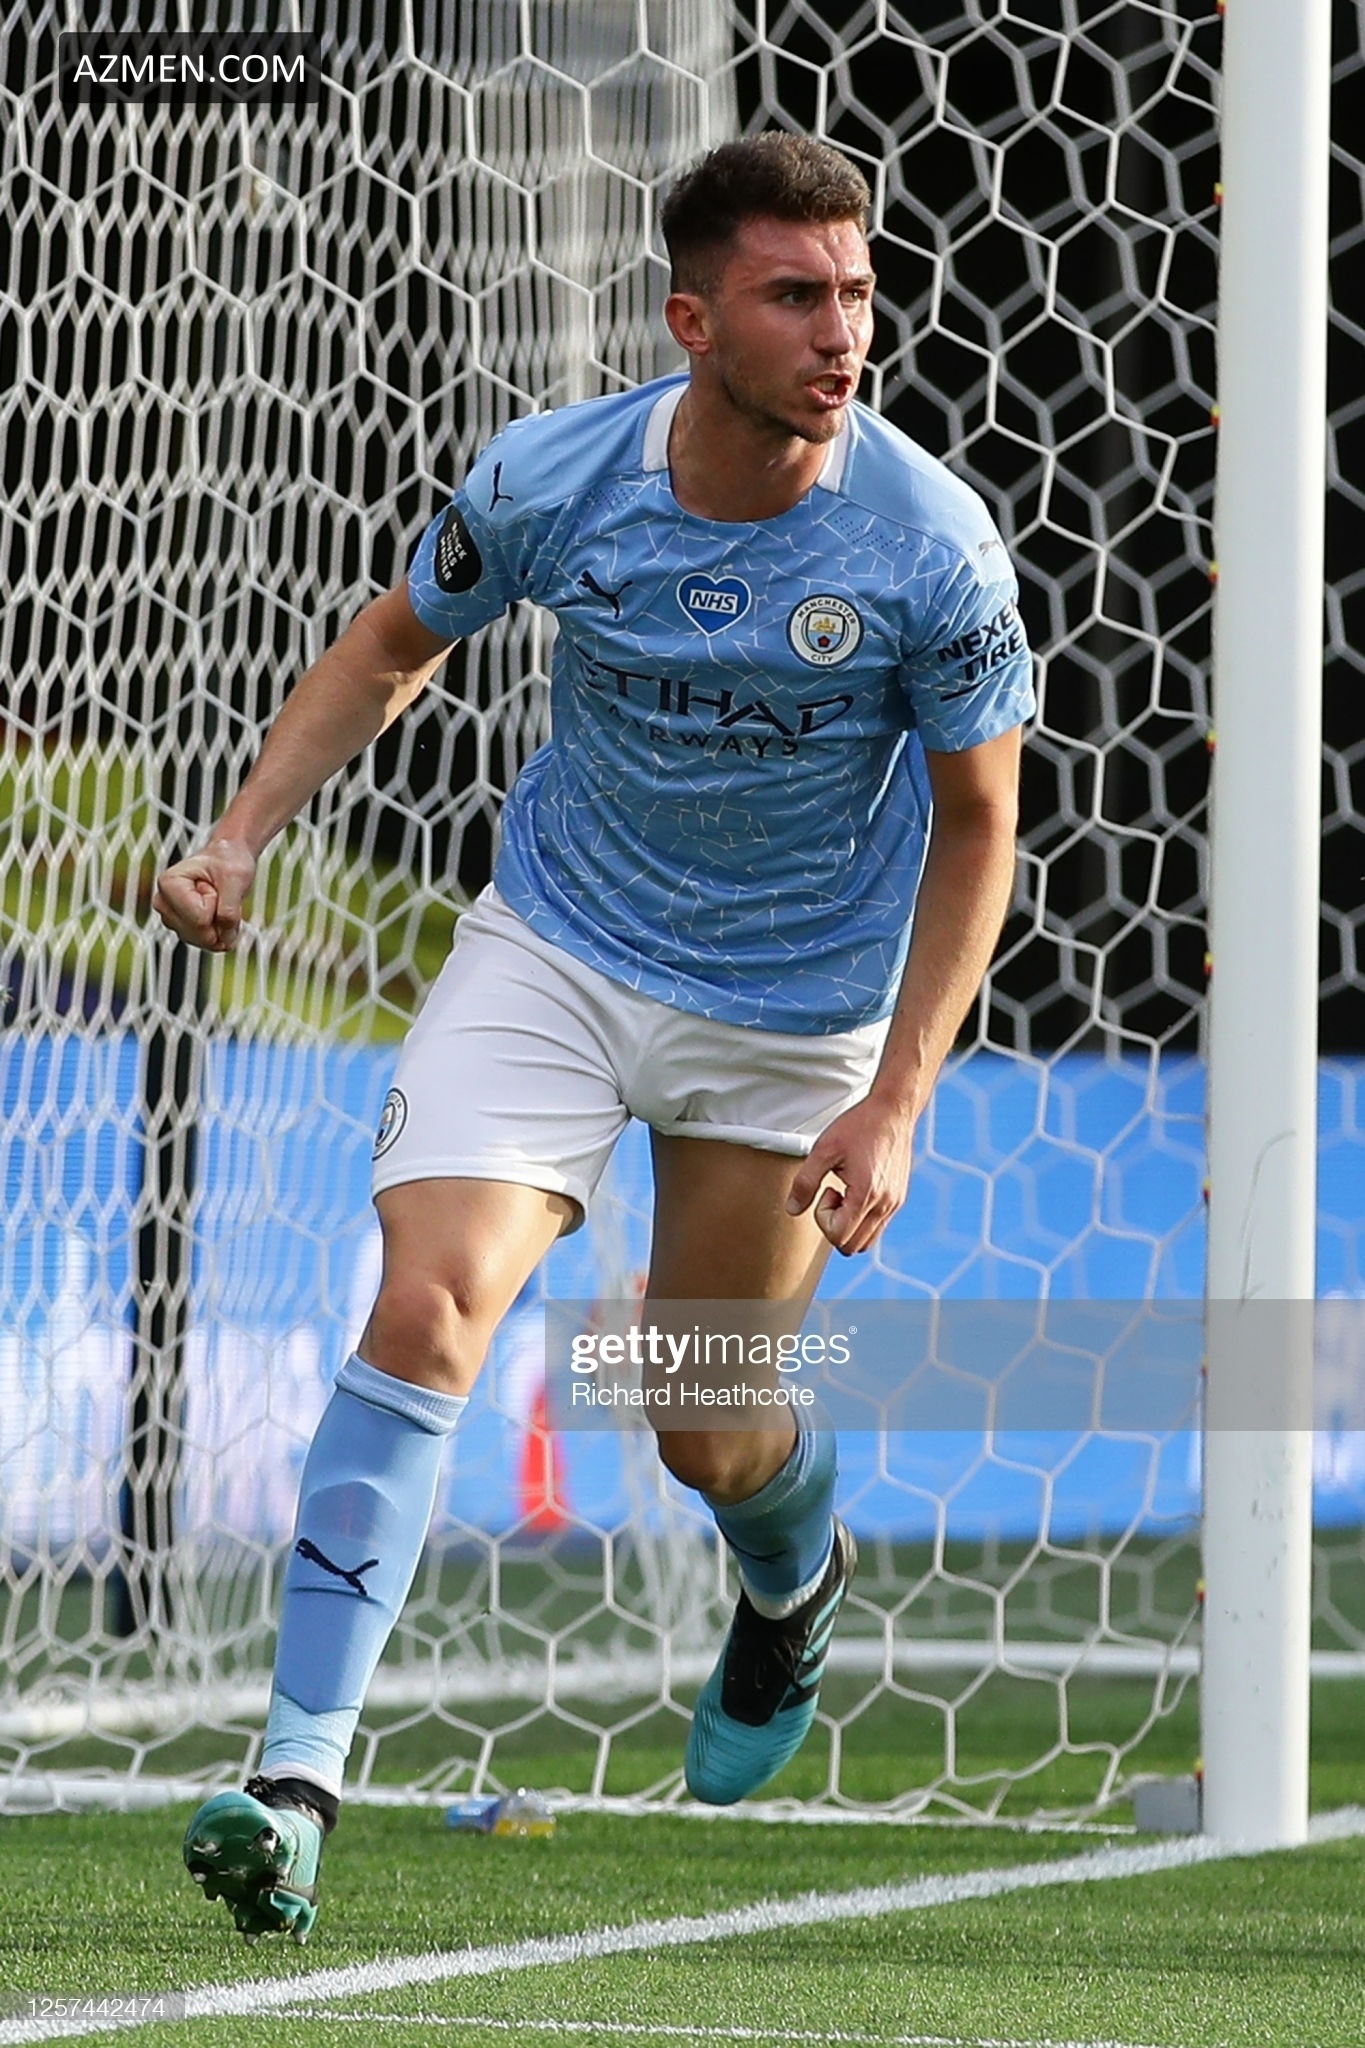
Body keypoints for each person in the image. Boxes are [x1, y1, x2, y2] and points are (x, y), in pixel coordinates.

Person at [156, 132, 1033, 1943]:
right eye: (795, 295)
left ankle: (789, 1583)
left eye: (858, 293)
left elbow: (976, 825)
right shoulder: (554, 476)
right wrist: (240, 834)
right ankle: (296, 1785)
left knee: (702, 1427)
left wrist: (896, 1100)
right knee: (427, 1307)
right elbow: (390, 643)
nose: (842, 332)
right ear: (691, 320)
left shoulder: (929, 543)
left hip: (792, 1007)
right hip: (555, 951)